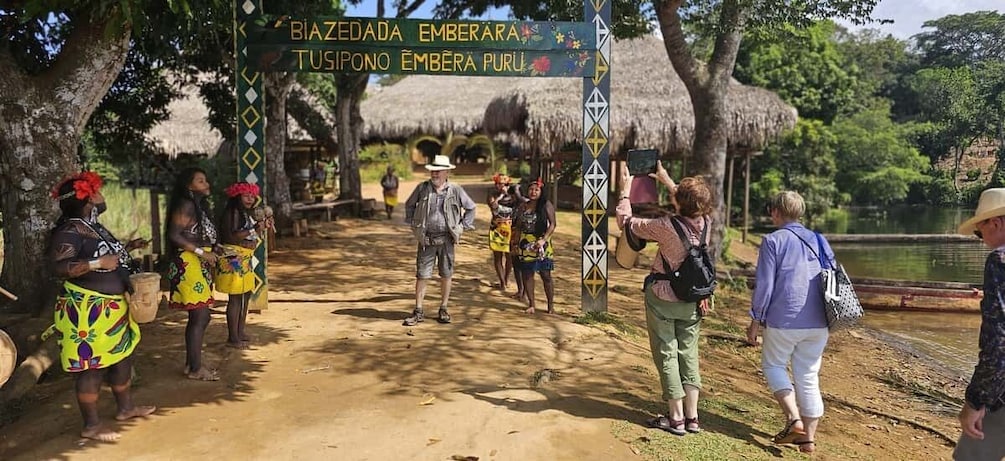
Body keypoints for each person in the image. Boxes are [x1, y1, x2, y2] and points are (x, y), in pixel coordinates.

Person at [47, 171, 156, 441]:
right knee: (91, 367)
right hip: (88, 312)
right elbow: (59, 267)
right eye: (97, 191)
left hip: (113, 308)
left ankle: (126, 408)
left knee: (121, 358)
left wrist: (128, 247)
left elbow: (104, 254)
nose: (102, 196)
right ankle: (92, 426)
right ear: (88, 198)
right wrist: (97, 264)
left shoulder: (91, 226)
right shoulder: (70, 230)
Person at [616, 162, 712, 436]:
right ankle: (693, 418)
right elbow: (688, 203)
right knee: (689, 354)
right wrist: (667, 179)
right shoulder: (706, 222)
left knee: (667, 354)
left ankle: (676, 417)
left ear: (678, 201)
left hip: (662, 298)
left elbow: (626, 222)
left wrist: (626, 187)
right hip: (693, 299)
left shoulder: (663, 227)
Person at [745, 191, 834, 454]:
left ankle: (794, 420)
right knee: (808, 375)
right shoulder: (819, 240)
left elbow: (765, 286)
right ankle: (808, 440)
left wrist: (755, 321)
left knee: (773, 364)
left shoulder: (773, 241)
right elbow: (832, 277)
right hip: (820, 320)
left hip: (785, 319)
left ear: (776, 212)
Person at [954, 188, 1005, 461]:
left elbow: (999, 342)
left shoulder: (1000, 260)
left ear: (995, 223)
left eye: (979, 231)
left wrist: (977, 400)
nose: (982, 240)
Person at [402, 154, 476, 326]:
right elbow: (409, 205)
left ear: (447, 172)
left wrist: (461, 227)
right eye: (433, 171)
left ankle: (443, 308)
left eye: (438, 171)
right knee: (422, 275)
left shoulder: (455, 190)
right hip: (426, 240)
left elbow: (471, 208)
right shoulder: (422, 188)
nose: (435, 174)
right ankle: (418, 310)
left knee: (446, 274)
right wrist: (415, 225)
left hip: (447, 241)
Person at [165, 167, 221, 381]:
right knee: (200, 315)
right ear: (188, 185)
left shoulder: (198, 206)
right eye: (200, 181)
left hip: (199, 263)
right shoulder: (186, 204)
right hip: (189, 263)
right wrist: (201, 252)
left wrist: (214, 249)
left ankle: (192, 364)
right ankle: (195, 368)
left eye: (205, 180)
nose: (206, 184)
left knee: (201, 316)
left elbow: (198, 235)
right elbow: (175, 235)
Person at [216, 182, 270, 350]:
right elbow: (232, 237)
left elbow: (252, 234)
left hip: (244, 259)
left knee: (245, 295)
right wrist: (254, 228)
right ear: (236, 196)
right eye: (246, 195)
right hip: (233, 259)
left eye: (252, 196)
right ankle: (233, 337)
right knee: (236, 298)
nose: (250, 199)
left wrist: (261, 227)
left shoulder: (245, 213)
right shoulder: (232, 212)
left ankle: (240, 332)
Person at [513, 178, 557, 314]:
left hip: (541, 242)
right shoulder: (523, 206)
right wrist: (515, 243)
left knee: (545, 275)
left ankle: (550, 305)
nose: (533, 192)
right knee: (527, 274)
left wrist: (543, 239)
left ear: (541, 191)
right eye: (531, 189)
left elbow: (553, 224)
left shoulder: (546, 205)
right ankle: (531, 304)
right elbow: (519, 227)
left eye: (536, 190)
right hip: (525, 243)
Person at [487, 173, 520, 292]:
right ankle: (501, 282)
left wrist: (512, 193)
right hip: (497, 228)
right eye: (499, 184)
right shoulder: (492, 194)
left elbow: (520, 205)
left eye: (505, 184)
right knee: (497, 257)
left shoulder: (513, 196)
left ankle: (506, 279)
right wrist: (501, 195)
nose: (502, 186)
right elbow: (493, 206)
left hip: (510, 228)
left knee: (509, 256)